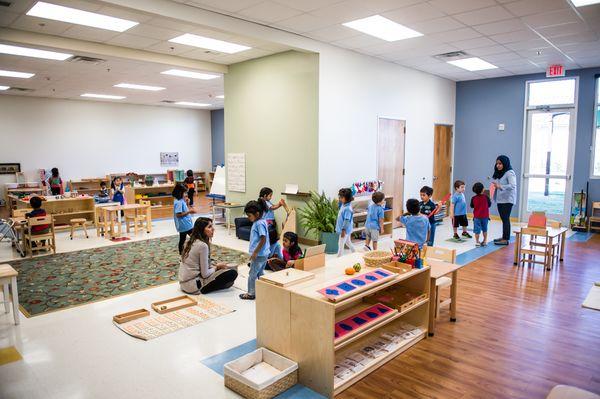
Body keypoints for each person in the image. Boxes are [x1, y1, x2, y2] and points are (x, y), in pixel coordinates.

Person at [179, 217, 238, 294]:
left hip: (183, 284)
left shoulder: (189, 241)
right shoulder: (203, 245)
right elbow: (205, 274)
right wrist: (217, 267)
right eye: (209, 227)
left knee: (216, 266)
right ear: (201, 230)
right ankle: (205, 288)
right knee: (232, 273)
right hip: (193, 286)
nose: (213, 229)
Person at [240, 200, 270, 300]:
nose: (248, 218)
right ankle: (264, 289)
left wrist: (255, 252)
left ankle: (251, 293)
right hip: (263, 254)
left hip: (259, 254)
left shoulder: (259, 224)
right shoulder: (261, 221)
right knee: (260, 273)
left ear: (257, 214)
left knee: (252, 274)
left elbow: (263, 238)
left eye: (249, 216)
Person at [492, 155, 517, 245]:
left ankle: (506, 239)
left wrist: (500, 186)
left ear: (505, 163)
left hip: (507, 200)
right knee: (503, 219)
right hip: (501, 199)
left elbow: (512, 185)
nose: (498, 165)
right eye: (497, 163)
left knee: (505, 219)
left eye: (500, 163)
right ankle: (504, 237)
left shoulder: (510, 172)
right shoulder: (500, 173)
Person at [259, 187, 285, 263]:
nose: (271, 197)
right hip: (268, 221)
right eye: (270, 195)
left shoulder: (267, 201)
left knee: (272, 235)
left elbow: (273, 205)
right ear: (264, 196)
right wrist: (280, 204)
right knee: (270, 235)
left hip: (269, 221)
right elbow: (273, 207)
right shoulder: (264, 202)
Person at [173, 184, 196, 254]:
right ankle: (184, 252)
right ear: (180, 193)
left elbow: (184, 209)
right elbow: (178, 214)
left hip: (185, 224)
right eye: (185, 192)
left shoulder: (180, 200)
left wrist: (187, 203)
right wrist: (190, 211)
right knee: (195, 238)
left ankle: (183, 252)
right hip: (185, 225)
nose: (186, 194)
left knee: (183, 239)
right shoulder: (179, 202)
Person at [470, 182, 491, 247]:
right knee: (485, 229)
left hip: (477, 217)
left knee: (477, 230)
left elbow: (471, 206)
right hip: (485, 217)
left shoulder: (473, 198)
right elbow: (489, 205)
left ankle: (477, 242)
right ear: (483, 189)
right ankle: (484, 241)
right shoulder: (486, 197)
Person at [336, 188, 355, 257]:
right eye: (339, 197)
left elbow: (347, 221)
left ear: (346, 198)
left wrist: (343, 230)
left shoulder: (348, 209)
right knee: (348, 242)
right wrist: (339, 201)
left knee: (340, 244)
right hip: (345, 229)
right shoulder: (344, 204)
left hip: (344, 230)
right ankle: (355, 252)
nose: (340, 199)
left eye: (341, 197)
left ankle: (339, 257)